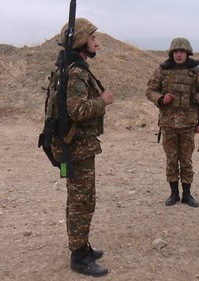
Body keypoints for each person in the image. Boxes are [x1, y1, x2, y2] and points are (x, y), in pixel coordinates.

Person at [51, 18, 113, 277]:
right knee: (81, 200)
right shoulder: (75, 72)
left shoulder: (69, 68)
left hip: (73, 147)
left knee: (80, 198)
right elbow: (76, 110)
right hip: (75, 149)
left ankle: (81, 245)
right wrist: (102, 101)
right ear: (80, 42)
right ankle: (78, 255)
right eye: (93, 38)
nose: (97, 42)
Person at [146, 38, 199, 207]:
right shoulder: (162, 71)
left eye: (182, 51)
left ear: (187, 53)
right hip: (169, 124)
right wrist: (161, 98)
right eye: (176, 51)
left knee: (186, 159)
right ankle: (173, 193)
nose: (178, 54)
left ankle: (187, 194)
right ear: (171, 53)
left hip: (188, 125)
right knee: (171, 159)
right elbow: (150, 91)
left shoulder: (195, 72)